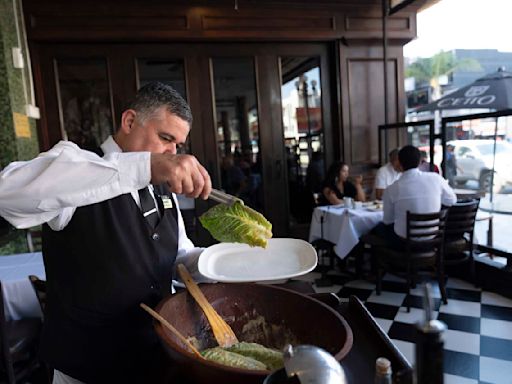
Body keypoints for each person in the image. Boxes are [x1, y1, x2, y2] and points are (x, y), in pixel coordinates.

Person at [0, 82, 212, 383]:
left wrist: (224, 263)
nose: (172, 153)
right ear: (129, 121)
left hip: (156, 357)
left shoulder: (162, 188)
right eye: (165, 138)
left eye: (177, 145)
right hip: (87, 369)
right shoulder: (78, 169)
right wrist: (143, 166)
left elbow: (178, 255)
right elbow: (6, 193)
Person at [372, 145, 456, 250]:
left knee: (377, 228)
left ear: (399, 163)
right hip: (432, 240)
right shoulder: (436, 179)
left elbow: (388, 220)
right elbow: (452, 200)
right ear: (420, 161)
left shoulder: (392, 189)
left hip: (404, 244)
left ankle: (387, 263)